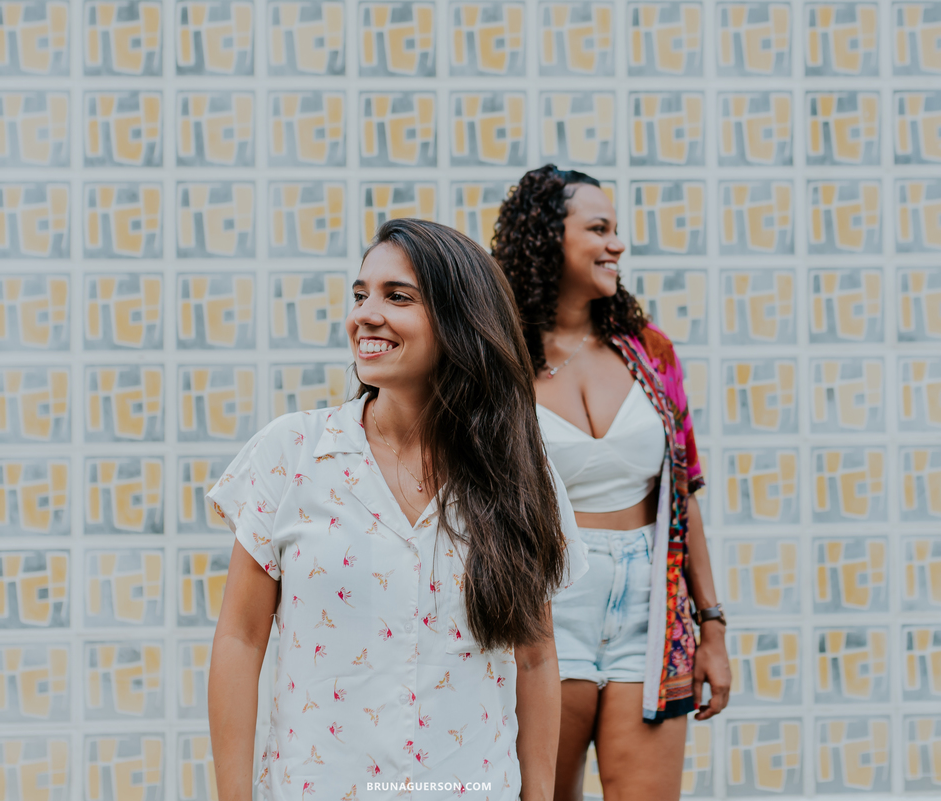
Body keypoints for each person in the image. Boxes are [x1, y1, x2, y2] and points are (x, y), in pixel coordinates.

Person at [207, 218, 588, 800]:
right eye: (360, 295)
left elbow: (535, 658)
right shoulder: (293, 452)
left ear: (462, 321)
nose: (365, 314)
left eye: (398, 297)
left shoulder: (517, 470)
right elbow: (240, 638)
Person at [492, 166, 732, 801]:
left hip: (651, 609)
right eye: (599, 229)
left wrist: (711, 627)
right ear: (548, 239)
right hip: (547, 604)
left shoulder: (651, 352)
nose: (617, 245)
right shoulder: (500, 361)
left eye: (616, 230)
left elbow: (683, 496)